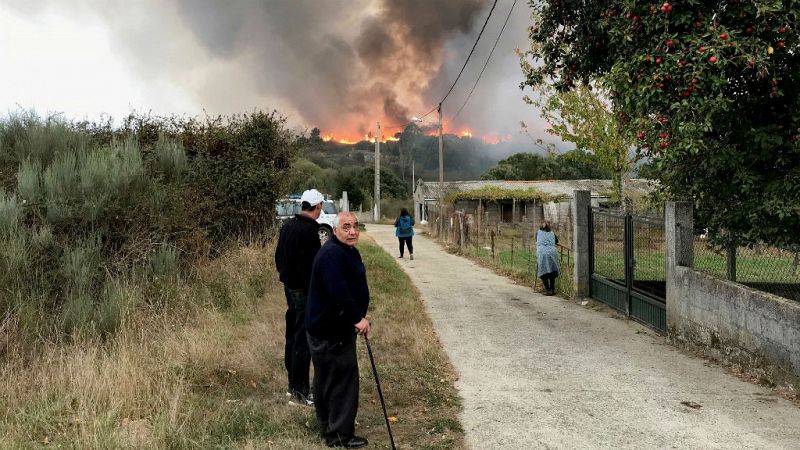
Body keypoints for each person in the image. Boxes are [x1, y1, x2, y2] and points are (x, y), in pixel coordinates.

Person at [306, 212, 371, 449]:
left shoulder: (345, 250)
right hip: (331, 329)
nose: (352, 231)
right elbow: (339, 291)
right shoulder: (332, 254)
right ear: (335, 230)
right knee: (342, 380)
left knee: (327, 377)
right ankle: (339, 434)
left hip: (328, 326)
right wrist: (357, 318)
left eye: (355, 226)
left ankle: (327, 425)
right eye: (346, 227)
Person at [274, 189, 324, 406]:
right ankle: (300, 391)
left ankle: (291, 385)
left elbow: (278, 258)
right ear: (318, 206)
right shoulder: (309, 232)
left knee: (292, 336)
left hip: (288, 287)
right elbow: (310, 269)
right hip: (303, 291)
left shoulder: (288, 226)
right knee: (302, 341)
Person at [537, 221, 560, 296]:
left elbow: (537, 240)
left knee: (543, 271)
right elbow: (556, 241)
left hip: (543, 253)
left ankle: (548, 289)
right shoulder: (552, 233)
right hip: (552, 253)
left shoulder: (538, 233)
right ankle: (552, 289)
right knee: (552, 271)